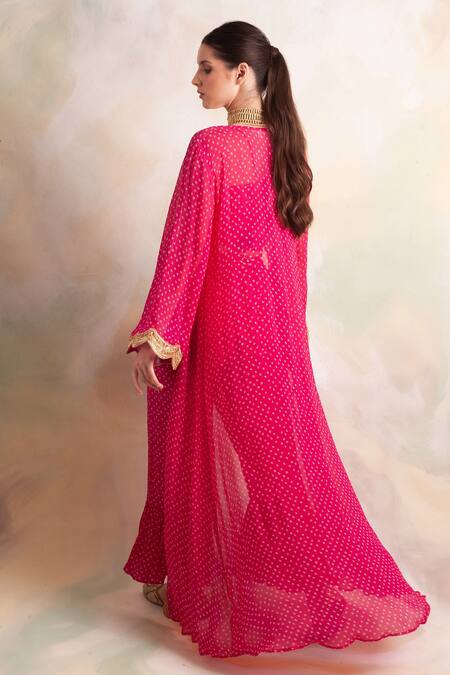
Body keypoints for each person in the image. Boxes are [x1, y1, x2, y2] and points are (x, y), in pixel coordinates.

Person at [123, 20, 430, 658]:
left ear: (242, 74)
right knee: (277, 468)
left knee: (185, 443)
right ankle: (301, 581)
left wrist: (158, 334)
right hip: (273, 337)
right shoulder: (290, 153)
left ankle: (259, 582)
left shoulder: (211, 149)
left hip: (218, 331)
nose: (195, 80)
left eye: (206, 67)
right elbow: (288, 266)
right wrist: (287, 345)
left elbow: (185, 248)